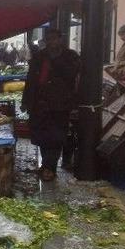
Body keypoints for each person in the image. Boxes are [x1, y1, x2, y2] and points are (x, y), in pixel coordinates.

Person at [22, 29, 80, 181]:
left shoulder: (70, 56)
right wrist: (26, 101)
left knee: (56, 136)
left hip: (60, 105)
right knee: (42, 136)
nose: (51, 42)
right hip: (39, 104)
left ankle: (50, 167)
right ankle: (46, 165)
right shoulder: (39, 56)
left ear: (60, 39)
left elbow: (71, 75)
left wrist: (56, 60)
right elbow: (30, 80)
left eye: (54, 39)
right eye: (48, 39)